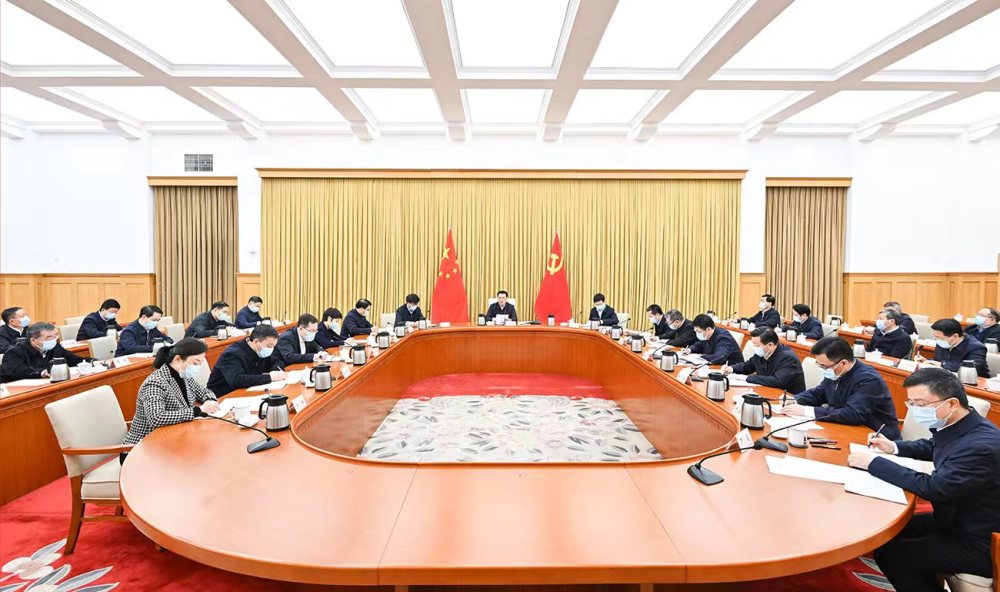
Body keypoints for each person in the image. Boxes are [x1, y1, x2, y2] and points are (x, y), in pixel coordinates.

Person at [848, 368, 1000, 592]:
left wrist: (874, 463)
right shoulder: (962, 424)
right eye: (911, 404)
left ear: (952, 403)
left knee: (894, 556)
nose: (915, 410)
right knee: (888, 531)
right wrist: (894, 447)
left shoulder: (981, 446)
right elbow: (934, 446)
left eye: (920, 404)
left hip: (979, 540)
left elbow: (934, 488)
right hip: (953, 517)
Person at [781, 336, 900, 438]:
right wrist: (796, 399)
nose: (824, 370)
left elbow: (852, 414)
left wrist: (806, 411)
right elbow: (819, 393)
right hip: (845, 428)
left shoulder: (869, 380)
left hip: (876, 438)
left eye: (825, 366)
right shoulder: (836, 372)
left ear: (843, 363)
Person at [122, 339, 220, 448]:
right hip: (144, 446)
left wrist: (210, 401)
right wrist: (198, 410)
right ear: (177, 359)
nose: (197, 368)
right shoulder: (155, 383)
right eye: (195, 363)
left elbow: (203, 391)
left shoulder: (184, 375)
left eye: (200, 364)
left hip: (174, 437)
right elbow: (157, 418)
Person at [0, 322, 94, 383]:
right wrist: (44, 372)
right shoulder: (14, 353)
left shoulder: (55, 347)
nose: (54, 340)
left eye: (55, 336)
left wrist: (93, 362)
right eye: (49, 338)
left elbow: (74, 359)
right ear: (33, 340)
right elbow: (18, 371)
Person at [206, 325, 285, 397]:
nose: (271, 349)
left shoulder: (260, 350)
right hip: (223, 396)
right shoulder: (232, 354)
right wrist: (270, 377)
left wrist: (275, 372)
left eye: (273, 346)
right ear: (256, 341)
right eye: (269, 346)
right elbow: (237, 380)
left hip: (248, 391)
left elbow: (278, 361)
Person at [722, 328, 805, 392]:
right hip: (765, 390)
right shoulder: (763, 352)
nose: (755, 348)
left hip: (787, 398)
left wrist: (745, 378)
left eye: (757, 346)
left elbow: (777, 381)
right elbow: (748, 366)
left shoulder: (788, 358)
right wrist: (731, 368)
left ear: (770, 345)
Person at [916, 319, 990, 378]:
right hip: (946, 377)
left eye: (940, 338)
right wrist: (928, 361)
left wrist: (941, 364)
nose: (937, 340)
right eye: (936, 337)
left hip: (973, 381)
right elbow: (938, 360)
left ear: (955, 336)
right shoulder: (942, 342)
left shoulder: (976, 347)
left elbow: (970, 369)